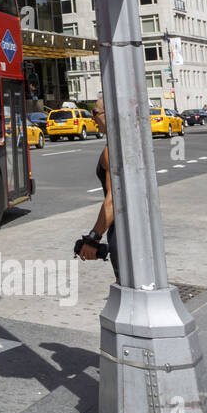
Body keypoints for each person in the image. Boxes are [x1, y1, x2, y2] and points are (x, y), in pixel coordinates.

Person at [78, 101, 121, 283]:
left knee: (126, 291)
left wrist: (93, 238)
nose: (92, 118)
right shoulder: (125, 144)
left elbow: (114, 199)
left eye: (95, 113)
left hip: (121, 234)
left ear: (108, 114)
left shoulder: (110, 151)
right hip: (136, 230)